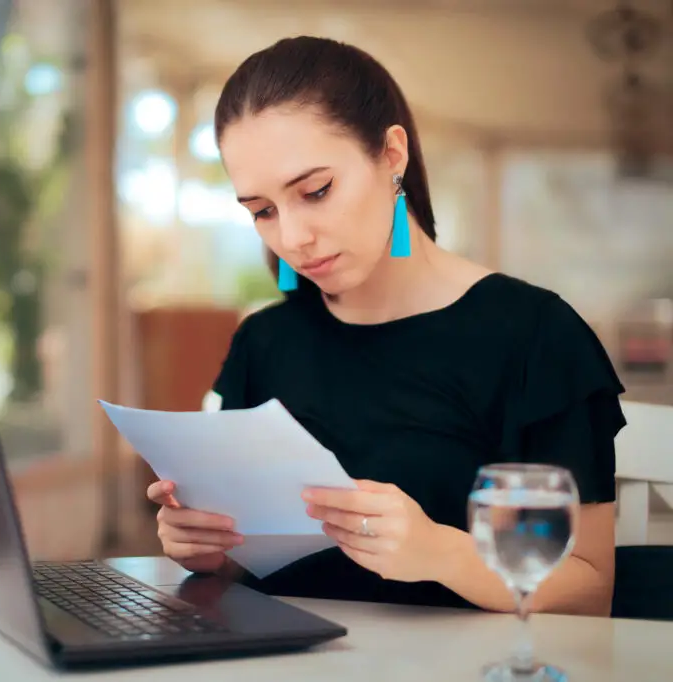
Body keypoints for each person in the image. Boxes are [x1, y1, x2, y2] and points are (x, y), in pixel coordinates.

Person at [146, 36, 625, 617]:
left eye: (315, 191)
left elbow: (590, 590)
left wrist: (441, 552)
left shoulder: (534, 336)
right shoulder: (263, 342)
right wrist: (206, 549)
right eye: (262, 211)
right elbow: (248, 565)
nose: (292, 238)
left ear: (391, 154)